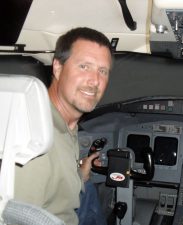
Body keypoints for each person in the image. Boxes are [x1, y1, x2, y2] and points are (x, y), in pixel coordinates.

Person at [14, 27, 113, 225]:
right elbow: (16, 217)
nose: (95, 81)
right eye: (84, 66)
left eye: (102, 71)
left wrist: (79, 175)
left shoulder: (64, 123)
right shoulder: (34, 137)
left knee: (89, 190)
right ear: (58, 68)